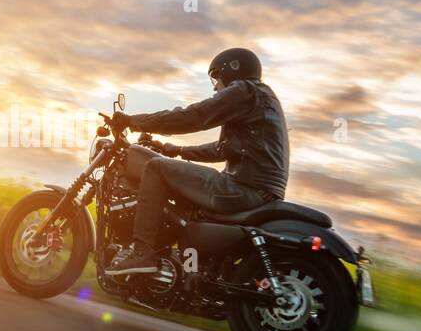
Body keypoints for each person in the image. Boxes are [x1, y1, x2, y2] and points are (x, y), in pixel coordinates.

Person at [105, 47, 289, 276]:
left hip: (243, 188)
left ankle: (142, 254)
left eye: (216, 76)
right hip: (257, 190)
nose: (215, 86)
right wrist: (177, 150)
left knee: (155, 167)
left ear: (231, 69)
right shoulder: (261, 98)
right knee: (173, 175)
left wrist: (134, 122)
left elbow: (194, 117)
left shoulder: (244, 91)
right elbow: (222, 149)